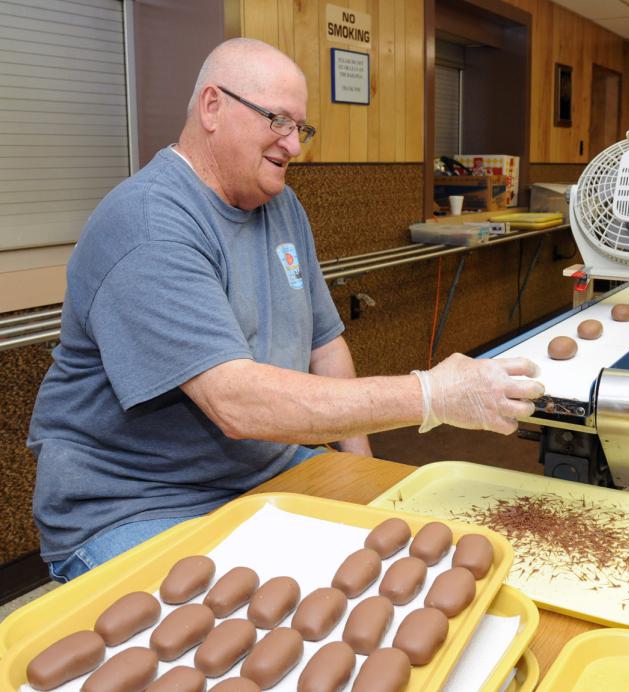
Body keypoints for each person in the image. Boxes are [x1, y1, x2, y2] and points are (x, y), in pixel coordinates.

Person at [27, 38, 544, 582]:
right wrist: (432, 395)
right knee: (232, 637)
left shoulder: (281, 204)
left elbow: (325, 343)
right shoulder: (149, 224)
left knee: (405, 561)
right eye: (278, 121)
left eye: (302, 128)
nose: (294, 145)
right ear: (211, 106)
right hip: (136, 504)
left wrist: (364, 477)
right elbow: (236, 403)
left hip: (262, 470)